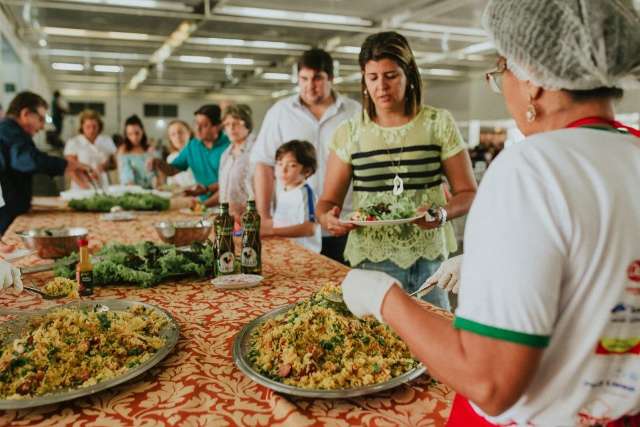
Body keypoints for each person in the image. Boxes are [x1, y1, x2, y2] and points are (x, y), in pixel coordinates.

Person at [340, 1, 640, 425]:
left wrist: (382, 297)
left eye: (502, 72)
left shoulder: (531, 168)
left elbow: (490, 382)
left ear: (532, 79)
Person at [317, 32, 476, 310]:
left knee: (433, 335)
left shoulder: (438, 123)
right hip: (371, 258)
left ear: (409, 75)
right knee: (377, 341)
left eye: (391, 75)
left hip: (430, 259)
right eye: (373, 77)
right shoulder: (349, 133)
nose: (381, 86)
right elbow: (327, 203)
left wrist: (441, 214)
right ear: (364, 79)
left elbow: (467, 193)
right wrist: (328, 219)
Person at [250, 48, 360, 263]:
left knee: (344, 290)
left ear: (331, 78)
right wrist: (264, 216)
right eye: (304, 78)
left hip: (342, 223)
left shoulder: (354, 111)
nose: (310, 85)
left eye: (318, 78)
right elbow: (263, 164)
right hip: (293, 226)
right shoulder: (280, 112)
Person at [0, 91, 93, 234]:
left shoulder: (12, 131)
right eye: (41, 119)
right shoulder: (9, 131)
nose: (42, 126)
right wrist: (69, 165)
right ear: (25, 114)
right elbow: (28, 160)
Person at [149, 105, 230, 206]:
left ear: (218, 126)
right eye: (196, 123)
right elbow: (173, 169)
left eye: (204, 125)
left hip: (227, 205)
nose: (197, 129)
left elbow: (230, 185)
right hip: (203, 202)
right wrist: (158, 163)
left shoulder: (229, 146)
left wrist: (203, 206)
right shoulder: (193, 145)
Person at [260, 140, 322, 253]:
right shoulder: (285, 191)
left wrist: (271, 231)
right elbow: (281, 222)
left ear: (307, 171)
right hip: (286, 249)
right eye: (279, 164)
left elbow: (310, 228)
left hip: (304, 254)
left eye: (292, 165)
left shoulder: (305, 193)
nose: (283, 170)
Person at [219, 104, 255, 223]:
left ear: (247, 124)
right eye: (227, 124)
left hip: (250, 218)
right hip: (230, 219)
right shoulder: (226, 154)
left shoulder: (257, 150)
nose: (231, 128)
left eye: (236, 123)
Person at [64, 109, 117, 189]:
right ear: (82, 126)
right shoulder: (73, 142)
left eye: (94, 126)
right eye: (88, 127)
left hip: (102, 184)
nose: (92, 130)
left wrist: (103, 167)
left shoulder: (107, 140)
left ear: (99, 126)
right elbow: (70, 168)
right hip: (81, 186)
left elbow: (114, 164)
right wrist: (86, 186)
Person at [117, 115, 155, 188]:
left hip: (151, 187)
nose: (134, 137)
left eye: (137, 133)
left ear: (142, 131)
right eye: (130, 134)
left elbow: (155, 172)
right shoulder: (123, 150)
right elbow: (124, 173)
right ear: (126, 134)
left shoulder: (149, 149)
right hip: (131, 188)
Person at [164, 120, 195, 188]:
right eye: (173, 134)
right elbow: (171, 183)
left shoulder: (198, 153)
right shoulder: (171, 158)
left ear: (189, 133)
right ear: (170, 139)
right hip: (182, 196)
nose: (178, 136)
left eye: (180, 132)